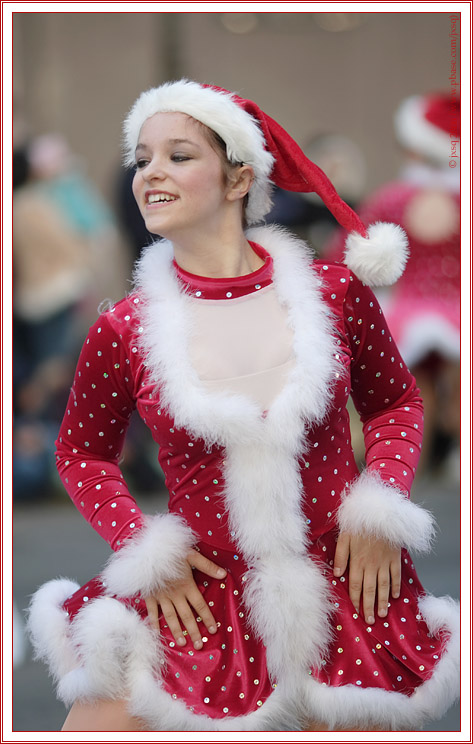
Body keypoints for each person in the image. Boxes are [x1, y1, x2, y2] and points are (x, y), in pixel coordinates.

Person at [27, 80, 460, 732]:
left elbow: (395, 402)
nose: (150, 174)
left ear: (239, 180)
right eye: (142, 158)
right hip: (191, 598)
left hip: (346, 585)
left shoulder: (333, 293)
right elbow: (81, 452)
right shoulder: (123, 326)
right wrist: (142, 545)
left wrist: (380, 507)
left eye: (178, 155)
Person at [324, 93, 460, 474]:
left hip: (408, 312)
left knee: (415, 391)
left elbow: (346, 250)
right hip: (459, 312)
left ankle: (412, 465)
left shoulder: (392, 198)